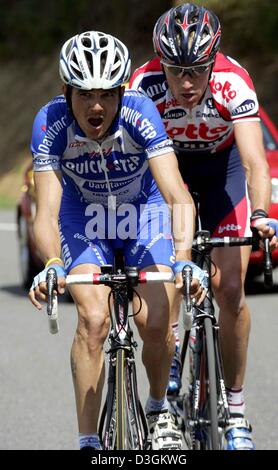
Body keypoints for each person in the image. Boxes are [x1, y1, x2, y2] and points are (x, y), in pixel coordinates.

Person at [28, 30, 207, 450]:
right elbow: (47, 212)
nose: (96, 106)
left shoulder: (141, 112)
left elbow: (176, 194)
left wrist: (182, 259)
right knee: (92, 321)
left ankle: (160, 408)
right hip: (83, 219)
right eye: (85, 95)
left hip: (142, 214)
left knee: (157, 321)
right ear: (66, 91)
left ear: (121, 93)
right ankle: (88, 440)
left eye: (108, 94)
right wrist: (52, 263)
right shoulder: (50, 122)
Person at [129, 3, 278, 450]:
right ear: (161, 64)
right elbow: (136, 165)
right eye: (176, 71)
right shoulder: (143, 84)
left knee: (230, 288)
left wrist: (259, 214)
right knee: (171, 272)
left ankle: (234, 412)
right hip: (167, 174)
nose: (187, 83)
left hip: (221, 173)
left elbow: (254, 160)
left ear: (213, 61)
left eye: (197, 70)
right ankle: (170, 352)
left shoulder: (233, 81)